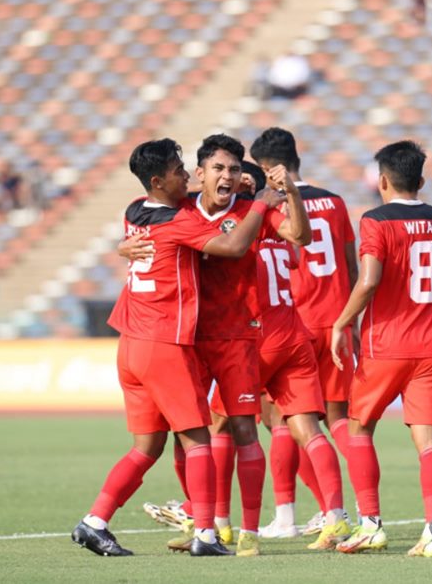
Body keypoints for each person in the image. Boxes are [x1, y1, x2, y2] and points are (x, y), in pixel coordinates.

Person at [73, 138, 284, 558]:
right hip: (163, 342)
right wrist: (259, 202)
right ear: (157, 180)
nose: (186, 175)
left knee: (146, 446)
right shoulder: (178, 222)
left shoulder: (135, 210)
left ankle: (94, 522)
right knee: (199, 439)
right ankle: (206, 534)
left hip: (130, 341)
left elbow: (152, 224)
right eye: (177, 170)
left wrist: (120, 246)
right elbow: (234, 246)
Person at [139, 135, 310, 557]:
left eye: (234, 169)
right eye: (218, 168)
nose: (228, 176)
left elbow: (300, 236)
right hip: (191, 338)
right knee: (188, 435)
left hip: (238, 337)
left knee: (244, 430)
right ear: (200, 174)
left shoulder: (250, 210)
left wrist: (291, 193)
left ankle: (249, 531)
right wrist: (124, 246)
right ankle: (207, 525)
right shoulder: (180, 209)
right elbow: (140, 218)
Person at [329, 141, 432, 557]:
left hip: (386, 344)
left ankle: (370, 525)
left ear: (382, 180)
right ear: (421, 180)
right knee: (430, 442)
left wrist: (343, 320)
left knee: (359, 428)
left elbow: (367, 280)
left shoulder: (376, 220)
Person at [209, 165, 349, 551]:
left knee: (219, 425)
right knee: (307, 428)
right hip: (294, 334)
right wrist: (290, 197)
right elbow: (297, 248)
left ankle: (219, 522)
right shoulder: (275, 231)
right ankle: (336, 517)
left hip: (257, 338)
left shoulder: (238, 225)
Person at [249, 127, 359, 538]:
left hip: (291, 324)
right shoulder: (335, 201)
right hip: (335, 322)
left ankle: (286, 516)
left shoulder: (272, 205)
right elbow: (350, 266)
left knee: (281, 418)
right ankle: (359, 511)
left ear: (266, 168)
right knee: (339, 419)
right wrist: (352, 323)